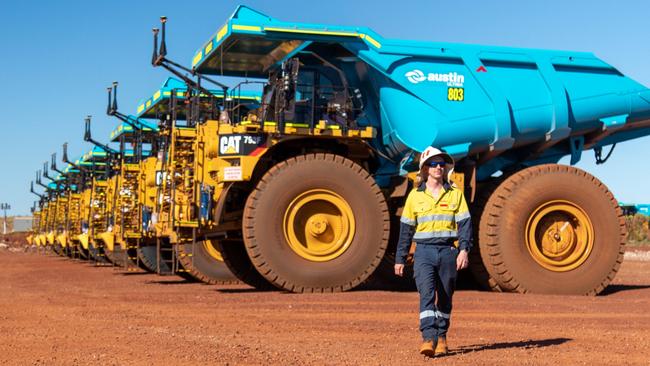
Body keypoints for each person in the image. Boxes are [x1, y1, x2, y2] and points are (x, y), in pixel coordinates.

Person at [394, 146, 472, 357]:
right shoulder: (414, 197)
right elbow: (406, 230)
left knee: (445, 297)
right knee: (426, 295)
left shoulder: (456, 195)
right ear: (425, 169)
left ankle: (442, 336)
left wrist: (464, 250)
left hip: (448, 251)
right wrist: (400, 259)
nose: (438, 167)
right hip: (424, 253)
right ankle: (428, 338)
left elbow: (465, 225)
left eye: (441, 164)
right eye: (433, 164)